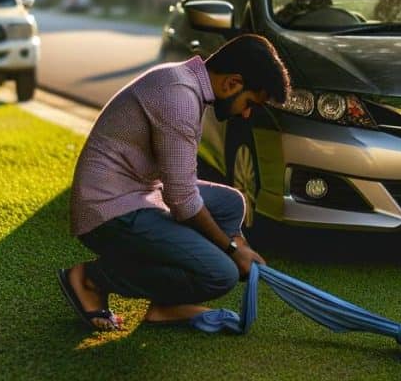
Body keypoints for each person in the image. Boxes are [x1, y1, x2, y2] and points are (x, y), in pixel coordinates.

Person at [58, 34, 291, 330]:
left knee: (233, 203)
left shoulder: (186, 83)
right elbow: (182, 201)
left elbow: (181, 186)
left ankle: (164, 308)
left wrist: (239, 243)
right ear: (231, 83)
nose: (246, 114)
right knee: (221, 273)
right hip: (107, 212)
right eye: (250, 103)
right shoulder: (179, 99)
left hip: (140, 194)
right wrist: (232, 250)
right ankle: (92, 279)